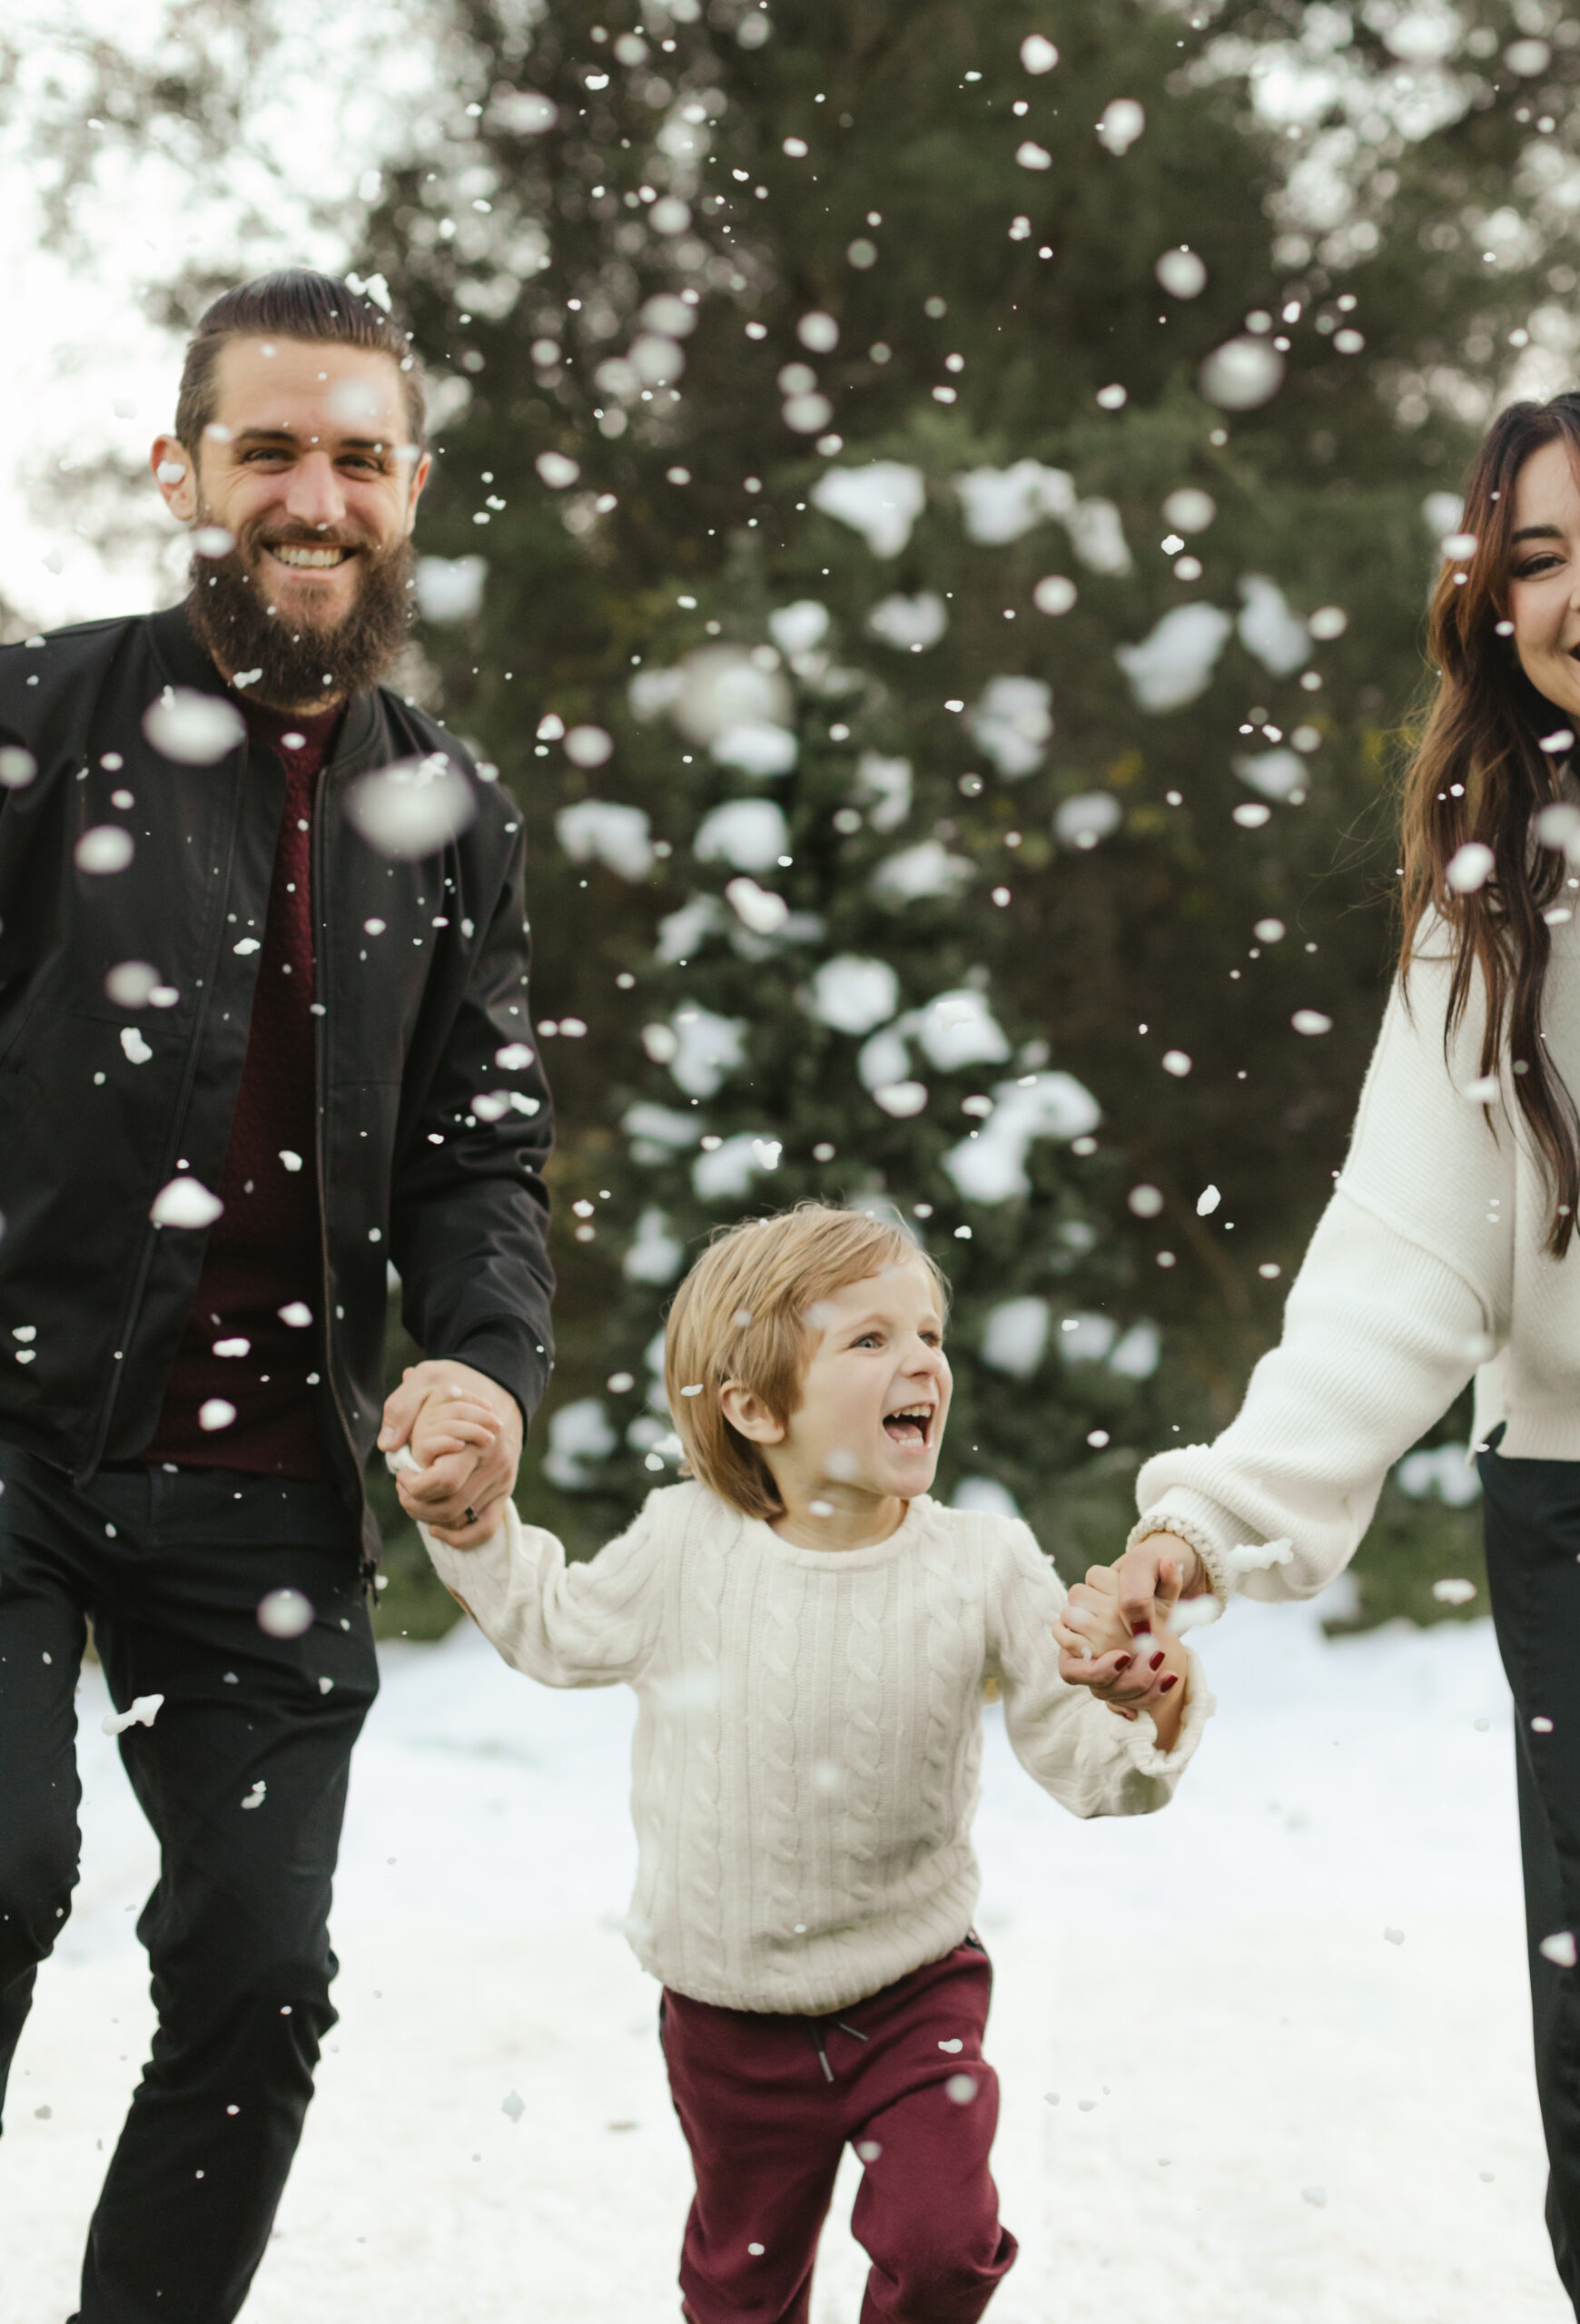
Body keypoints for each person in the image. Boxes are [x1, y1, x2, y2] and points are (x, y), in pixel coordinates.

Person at [1071, 391, 1580, 2319]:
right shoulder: (1483, 909)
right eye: (1534, 557)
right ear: (1484, 612)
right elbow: (1400, 1258)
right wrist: (1212, 1526)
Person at [0, 270, 556, 2323]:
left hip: (266, 1485)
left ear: (411, 487)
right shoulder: (40, 717)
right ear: (181, 472)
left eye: (356, 455)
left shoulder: (454, 812)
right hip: (11, 1428)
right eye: (268, 451)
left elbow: (475, 1145)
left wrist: (480, 1364)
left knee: (258, 1972)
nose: (311, 496)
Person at [405, 1202, 1205, 2324]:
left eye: (927, 1333)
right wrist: (475, 1520)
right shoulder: (684, 1544)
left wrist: (1148, 1699)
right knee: (740, 2287)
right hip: (726, 2012)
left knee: (942, 2245)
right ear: (753, 1404)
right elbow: (554, 1626)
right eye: (868, 1339)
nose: (920, 1357)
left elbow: (1087, 1770)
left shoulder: (982, 1564)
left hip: (913, 1991)